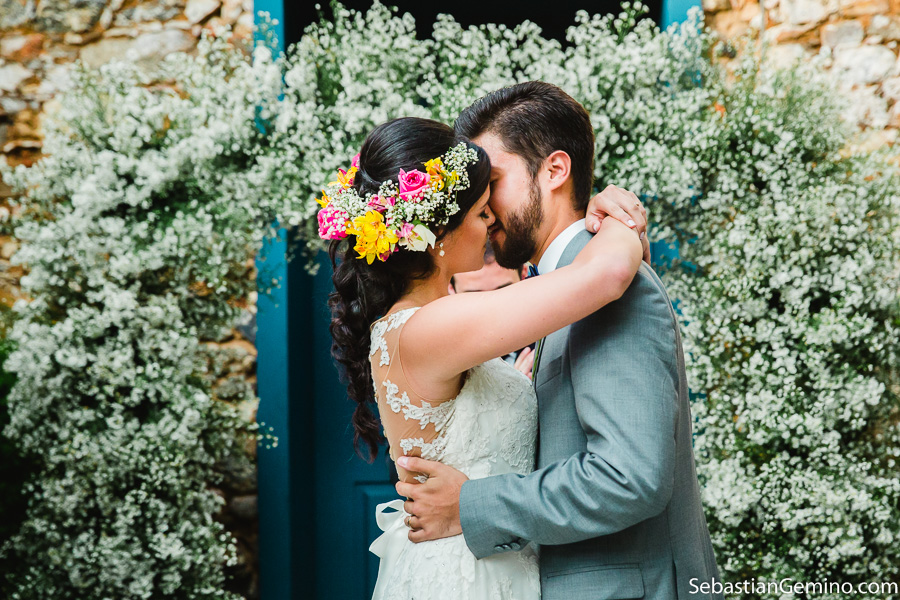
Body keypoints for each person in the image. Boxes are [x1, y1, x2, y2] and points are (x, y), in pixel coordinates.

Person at [392, 82, 725, 600]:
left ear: (554, 170)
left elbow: (628, 476)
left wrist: (471, 505)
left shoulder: (613, 288)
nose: (480, 205)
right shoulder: (559, 288)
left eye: (493, 181)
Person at [321, 115, 646, 600]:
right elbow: (609, 274)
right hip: (466, 575)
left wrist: (514, 385)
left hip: (488, 557)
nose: (492, 221)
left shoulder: (431, 324)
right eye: (479, 212)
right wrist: (616, 217)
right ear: (441, 234)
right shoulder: (432, 326)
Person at [449, 244, 534, 378]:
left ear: (524, 274)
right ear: (451, 289)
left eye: (503, 291)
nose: (491, 310)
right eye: (474, 296)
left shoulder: (549, 335)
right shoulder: (445, 352)